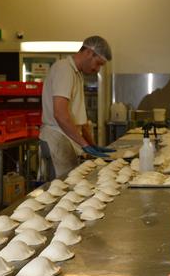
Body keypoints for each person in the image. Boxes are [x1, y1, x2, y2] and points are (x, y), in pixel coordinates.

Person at [39, 35, 115, 179]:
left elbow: (78, 116)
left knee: (68, 188)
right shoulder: (64, 69)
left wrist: (92, 144)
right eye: (98, 63)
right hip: (57, 139)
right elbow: (60, 114)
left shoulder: (76, 74)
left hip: (66, 138)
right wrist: (84, 144)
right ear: (88, 53)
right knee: (60, 192)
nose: (97, 69)